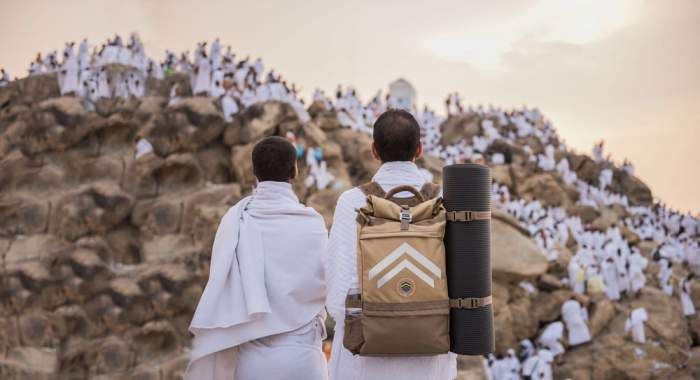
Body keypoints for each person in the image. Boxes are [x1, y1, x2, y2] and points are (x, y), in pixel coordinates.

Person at [325, 109, 456, 380]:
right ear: (419, 149)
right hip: (429, 359)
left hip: (363, 358)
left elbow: (338, 296)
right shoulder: (444, 200)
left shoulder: (352, 202)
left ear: (374, 151)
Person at [185, 136, 328, 380]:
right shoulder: (312, 223)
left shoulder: (235, 221)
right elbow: (329, 282)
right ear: (294, 170)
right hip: (304, 360)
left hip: (251, 362)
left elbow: (221, 285)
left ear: (253, 171)